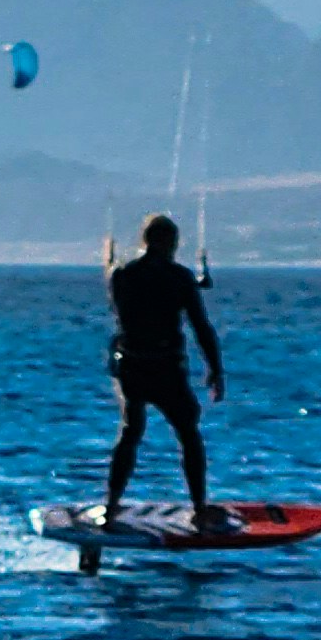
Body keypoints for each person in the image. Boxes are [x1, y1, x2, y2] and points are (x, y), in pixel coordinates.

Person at [102, 212, 226, 530]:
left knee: (130, 432)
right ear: (170, 242)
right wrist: (215, 369)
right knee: (188, 434)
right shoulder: (179, 277)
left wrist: (109, 261)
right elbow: (201, 326)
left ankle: (111, 505)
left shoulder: (121, 274)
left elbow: (121, 306)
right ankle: (199, 507)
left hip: (131, 366)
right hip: (165, 368)